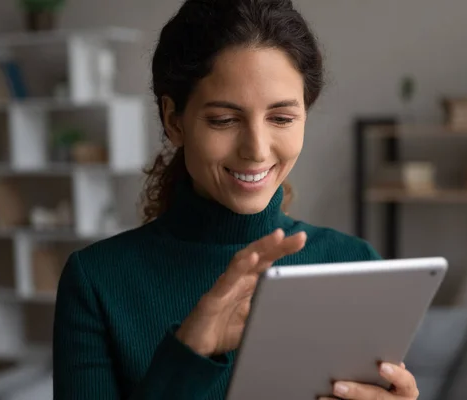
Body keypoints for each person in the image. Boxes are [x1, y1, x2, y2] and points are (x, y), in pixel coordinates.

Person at [52, 0, 420, 399]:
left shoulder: (356, 267)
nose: (257, 150)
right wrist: (189, 354)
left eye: (281, 118)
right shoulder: (96, 284)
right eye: (224, 120)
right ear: (174, 120)